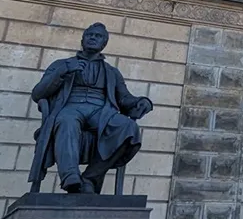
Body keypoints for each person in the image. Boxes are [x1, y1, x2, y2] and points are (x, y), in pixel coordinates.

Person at [29, 23, 152, 194]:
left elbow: (124, 98)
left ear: (104, 44)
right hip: (70, 107)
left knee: (128, 128)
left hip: (100, 112)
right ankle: (70, 176)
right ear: (82, 39)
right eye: (90, 35)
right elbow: (38, 93)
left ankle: (89, 178)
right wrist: (62, 72)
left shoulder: (111, 72)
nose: (93, 38)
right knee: (66, 121)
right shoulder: (62, 64)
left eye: (98, 36)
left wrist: (143, 101)